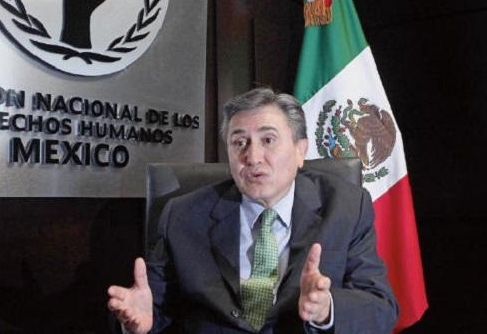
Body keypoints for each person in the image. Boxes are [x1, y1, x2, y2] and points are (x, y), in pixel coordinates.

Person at [108, 88, 398, 333]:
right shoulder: (183, 215)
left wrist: (326, 309)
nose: (253, 157)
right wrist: (134, 322)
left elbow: (381, 308)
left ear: (300, 151)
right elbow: (152, 307)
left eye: (268, 140)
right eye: (239, 143)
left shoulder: (346, 207)